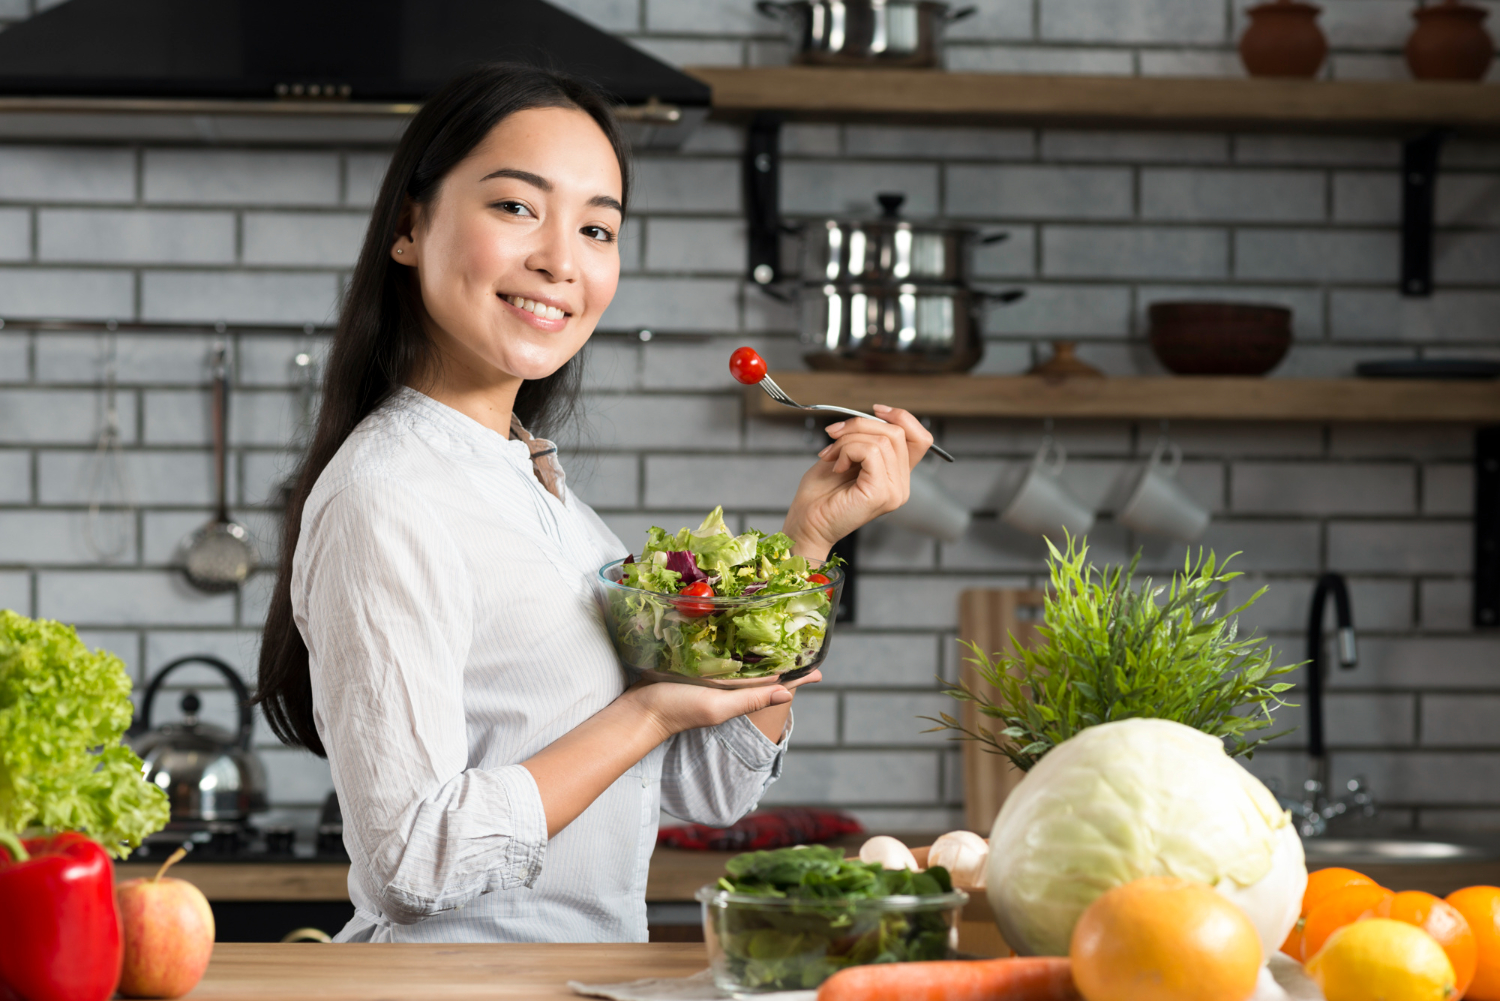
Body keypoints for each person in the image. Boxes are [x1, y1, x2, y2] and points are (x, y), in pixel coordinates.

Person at [255, 63, 933, 944]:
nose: (560, 259)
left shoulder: (543, 494)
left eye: (597, 227)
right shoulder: (388, 494)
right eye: (515, 207)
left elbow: (709, 785)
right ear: (409, 226)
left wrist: (806, 546)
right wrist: (646, 711)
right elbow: (411, 862)